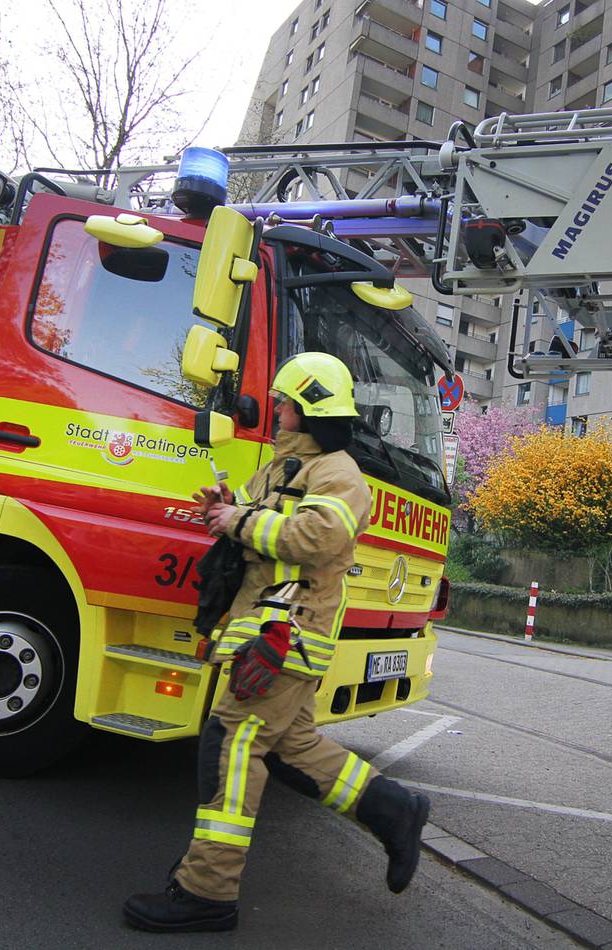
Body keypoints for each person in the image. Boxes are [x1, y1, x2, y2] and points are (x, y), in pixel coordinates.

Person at [124, 352, 431, 933]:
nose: (278, 410)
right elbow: (248, 525)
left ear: (309, 411)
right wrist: (221, 509)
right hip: (264, 631)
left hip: (285, 637)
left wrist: (237, 523)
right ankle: (395, 810)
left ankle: (207, 892)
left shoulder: (338, 473)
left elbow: (314, 536)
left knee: (231, 743)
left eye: (286, 403)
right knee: (292, 748)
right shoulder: (276, 469)